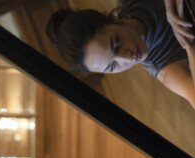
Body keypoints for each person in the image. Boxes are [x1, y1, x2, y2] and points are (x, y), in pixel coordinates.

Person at [45, 0, 195, 108]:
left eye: (116, 43)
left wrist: (170, 7)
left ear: (111, 18)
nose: (127, 57)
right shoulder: (162, 66)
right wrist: (187, 42)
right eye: (112, 66)